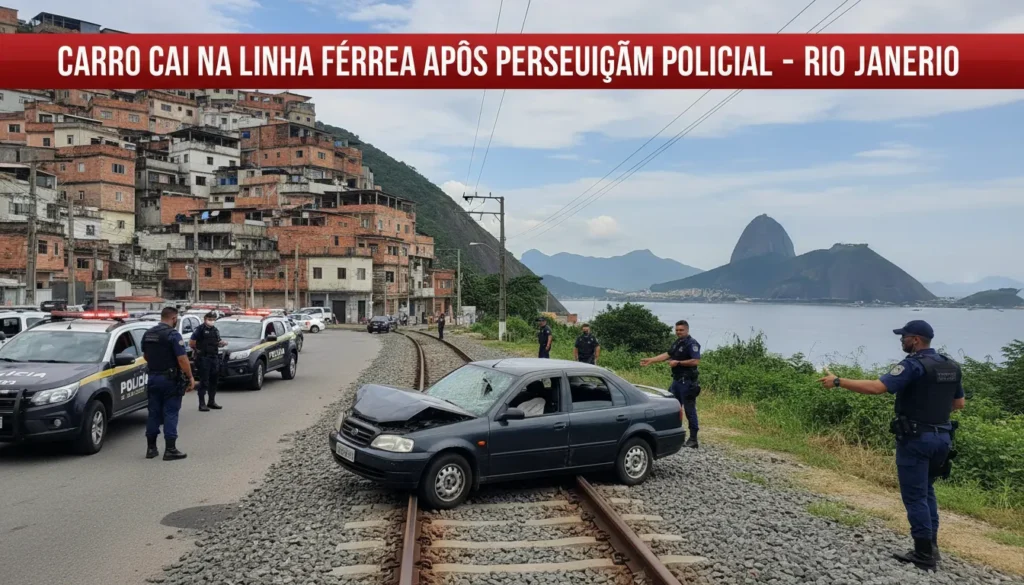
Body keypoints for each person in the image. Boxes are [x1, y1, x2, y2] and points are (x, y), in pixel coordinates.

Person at [818, 320, 964, 571]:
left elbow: (878, 388)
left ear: (916, 340)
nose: (901, 340)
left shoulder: (912, 365)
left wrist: (839, 381)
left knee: (915, 495)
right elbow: (958, 404)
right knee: (927, 491)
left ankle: (923, 555)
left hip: (917, 438)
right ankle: (932, 547)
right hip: (943, 437)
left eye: (904, 336)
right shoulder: (950, 365)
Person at [142, 306, 196, 461]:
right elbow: (182, 359)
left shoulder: (148, 334)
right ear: (173, 318)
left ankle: (151, 449)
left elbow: (145, 356)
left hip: (152, 378)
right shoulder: (173, 335)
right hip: (170, 379)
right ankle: (170, 450)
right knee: (170, 412)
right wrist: (190, 376)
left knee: (153, 413)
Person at [640, 320, 701, 448]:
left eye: (681, 330)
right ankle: (673, 434)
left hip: (687, 382)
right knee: (671, 407)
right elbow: (667, 355)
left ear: (687, 330)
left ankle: (693, 439)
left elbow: (695, 361)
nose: (678, 332)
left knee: (689, 410)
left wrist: (678, 363)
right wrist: (651, 360)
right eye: (677, 330)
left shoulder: (692, 343)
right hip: (677, 381)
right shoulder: (678, 343)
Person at [190, 311, 227, 412]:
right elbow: (192, 342)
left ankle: (211, 401)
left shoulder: (215, 330)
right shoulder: (200, 329)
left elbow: (217, 341)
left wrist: (222, 343)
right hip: (204, 358)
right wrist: (198, 351)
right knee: (204, 381)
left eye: (213, 319)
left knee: (214, 380)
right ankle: (201, 404)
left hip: (214, 357)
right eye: (210, 319)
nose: (211, 321)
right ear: (205, 319)